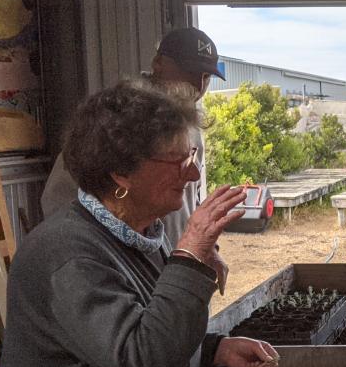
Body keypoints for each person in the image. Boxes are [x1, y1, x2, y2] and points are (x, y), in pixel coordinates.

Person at [0, 86, 277, 367]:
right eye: (178, 160)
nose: (193, 173)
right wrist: (190, 255)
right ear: (121, 172)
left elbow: (143, 327)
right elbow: (140, 359)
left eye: (191, 155)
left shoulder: (139, 235)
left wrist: (212, 350)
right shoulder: (67, 253)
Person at [41, 27, 225, 247]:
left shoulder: (192, 128)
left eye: (205, 77)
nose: (198, 85)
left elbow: (190, 199)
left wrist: (204, 248)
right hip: (122, 263)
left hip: (170, 261)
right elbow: (56, 199)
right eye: (189, 71)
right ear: (158, 63)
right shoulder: (118, 119)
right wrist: (105, 252)